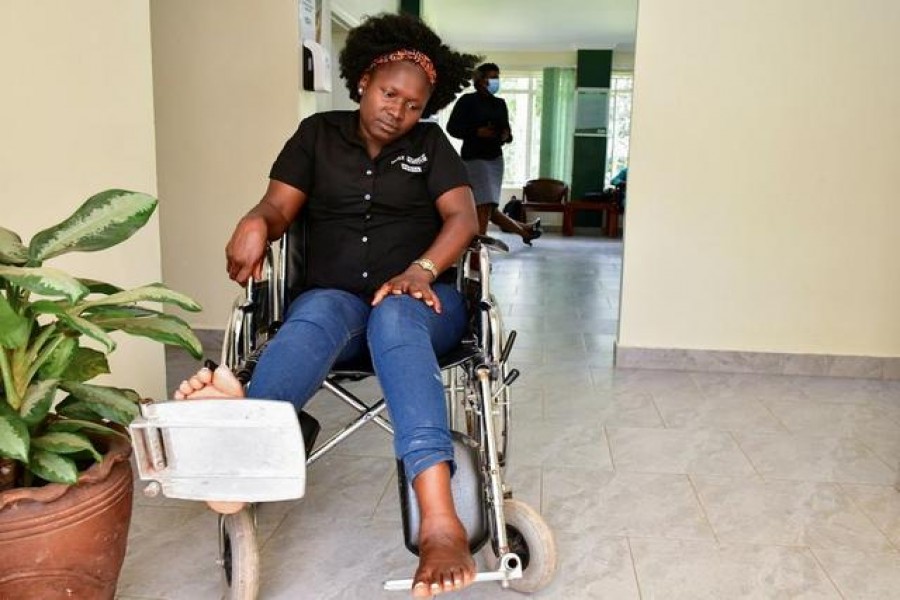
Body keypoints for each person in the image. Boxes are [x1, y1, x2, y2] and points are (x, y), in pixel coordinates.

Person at [174, 13, 480, 598]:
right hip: (338, 302)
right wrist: (254, 222)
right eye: (390, 93)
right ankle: (246, 437)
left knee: (393, 314)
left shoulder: (431, 145)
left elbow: (462, 219)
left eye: (414, 104)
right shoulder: (316, 135)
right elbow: (277, 207)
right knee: (312, 312)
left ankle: (440, 520)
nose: (399, 110)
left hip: (421, 303)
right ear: (365, 80)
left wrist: (420, 271)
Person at [447, 63, 542, 245]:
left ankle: (524, 231)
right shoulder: (467, 101)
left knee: (489, 205)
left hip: (495, 159)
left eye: (497, 77)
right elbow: (452, 128)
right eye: (492, 77)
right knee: (484, 204)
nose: (495, 81)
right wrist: (476, 131)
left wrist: (506, 135)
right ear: (480, 80)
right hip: (474, 158)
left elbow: (507, 131)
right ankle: (480, 245)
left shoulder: (500, 103)